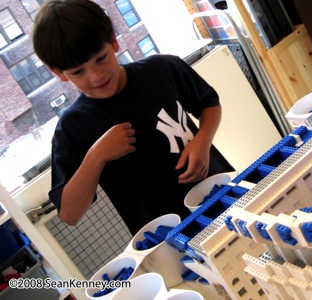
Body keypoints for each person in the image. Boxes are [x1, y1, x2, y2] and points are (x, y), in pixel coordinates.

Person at [32, 0, 234, 235]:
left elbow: (209, 104)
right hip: (166, 236)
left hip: (220, 195)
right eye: (78, 72)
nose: (96, 76)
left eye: (101, 58)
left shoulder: (162, 68)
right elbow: (69, 214)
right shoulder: (72, 127)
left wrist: (203, 141)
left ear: (114, 41)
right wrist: (97, 156)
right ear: (59, 74)